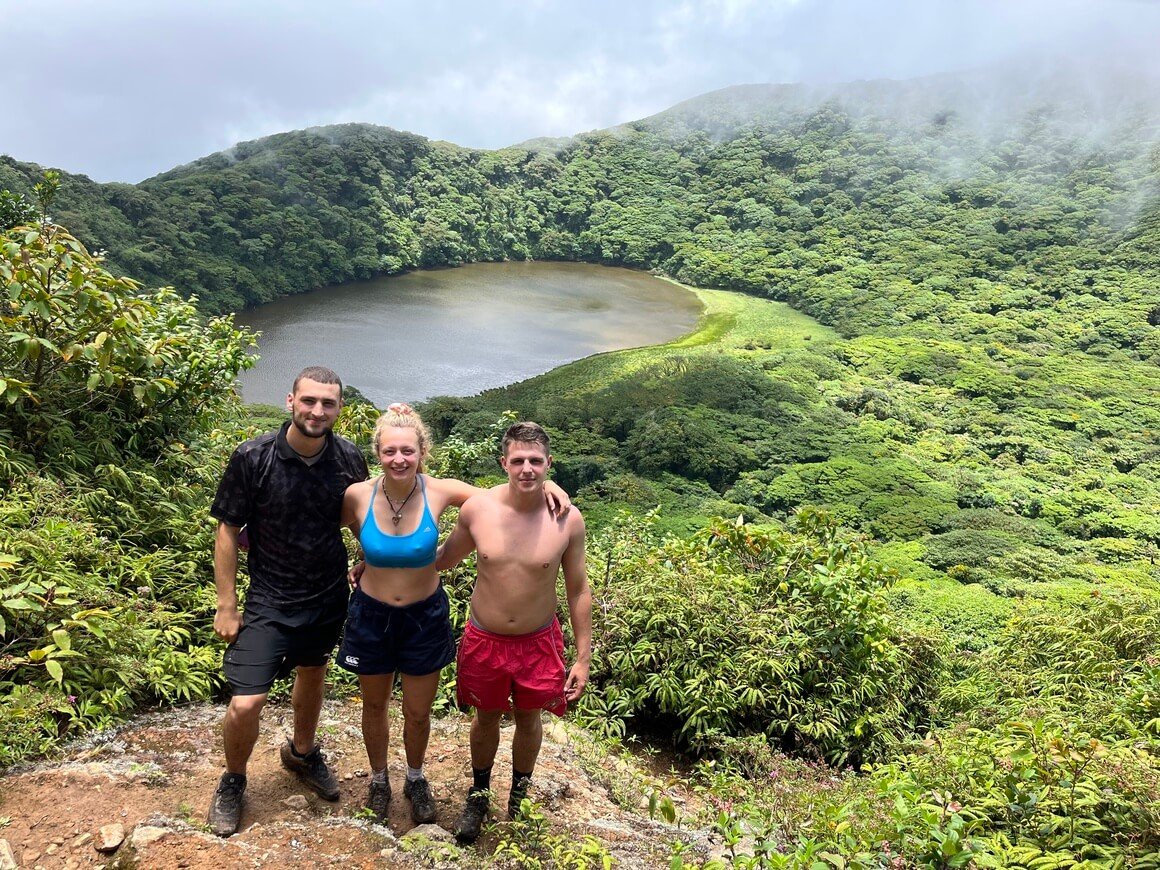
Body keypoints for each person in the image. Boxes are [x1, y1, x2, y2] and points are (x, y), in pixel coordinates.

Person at [337, 404, 571, 826]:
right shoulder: (357, 494)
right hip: (370, 614)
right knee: (373, 705)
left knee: (419, 711)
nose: (399, 459)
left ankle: (415, 777)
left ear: (422, 451)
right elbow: (330, 525)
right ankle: (378, 780)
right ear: (377, 453)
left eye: (408, 450)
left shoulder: (440, 490)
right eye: (389, 451)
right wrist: (363, 554)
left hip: (423, 614)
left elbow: (506, 496)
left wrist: (546, 481)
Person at [207, 366, 369, 837]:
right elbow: (227, 529)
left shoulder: (348, 458)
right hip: (268, 598)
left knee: (313, 673)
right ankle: (233, 778)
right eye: (309, 401)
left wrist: (368, 561)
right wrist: (226, 603)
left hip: (326, 593)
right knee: (246, 702)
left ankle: (301, 752)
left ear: (339, 408)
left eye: (329, 403)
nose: (318, 411)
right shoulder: (252, 457)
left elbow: (365, 516)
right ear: (291, 401)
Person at [435, 421, 592, 844]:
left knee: (529, 716)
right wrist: (380, 564)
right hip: (485, 637)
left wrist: (582, 657)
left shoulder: (567, 519)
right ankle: (480, 793)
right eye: (518, 460)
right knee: (485, 716)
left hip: (538, 639)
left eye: (535, 461)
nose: (527, 469)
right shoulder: (478, 510)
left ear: (548, 464)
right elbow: (441, 561)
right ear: (503, 462)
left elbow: (578, 588)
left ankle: (518, 798)